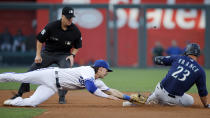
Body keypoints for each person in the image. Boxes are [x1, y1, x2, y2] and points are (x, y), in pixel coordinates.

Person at [9, 6, 82, 104]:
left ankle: (62, 96)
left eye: (71, 17)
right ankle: (20, 93)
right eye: (68, 17)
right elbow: (40, 40)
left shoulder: (75, 30)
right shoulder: (51, 26)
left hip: (63, 55)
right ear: (62, 16)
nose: (70, 19)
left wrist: (72, 55)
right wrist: (38, 55)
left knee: (66, 72)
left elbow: (77, 46)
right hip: (48, 53)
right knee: (31, 70)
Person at [1, 60, 139, 107]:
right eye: (106, 70)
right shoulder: (88, 71)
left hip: (53, 86)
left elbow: (111, 91)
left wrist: (129, 98)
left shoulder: (98, 81)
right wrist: (106, 97)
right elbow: (90, 88)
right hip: (49, 74)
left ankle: (15, 101)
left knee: (31, 103)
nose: (107, 73)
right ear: (101, 68)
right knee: (19, 78)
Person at [146, 43, 210, 108]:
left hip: (159, 91)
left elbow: (157, 60)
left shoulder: (178, 58)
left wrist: (156, 58)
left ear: (187, 51)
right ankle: (162, 101)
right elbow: (203, 93)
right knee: (190, 100)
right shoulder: (200, 71)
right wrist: (206, 105)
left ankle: (152, 97)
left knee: (156, 94)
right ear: (198, 54)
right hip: (173, 101)